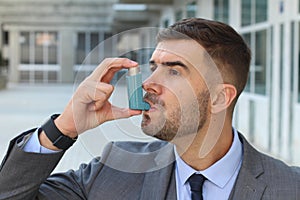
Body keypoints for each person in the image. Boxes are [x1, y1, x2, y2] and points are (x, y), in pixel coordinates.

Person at [0, 18, 299, 200]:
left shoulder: (289, 187)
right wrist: (64, 127)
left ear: (221, 98)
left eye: (174, 71)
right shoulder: (113, 170)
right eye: (152, 67)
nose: (147, 84)